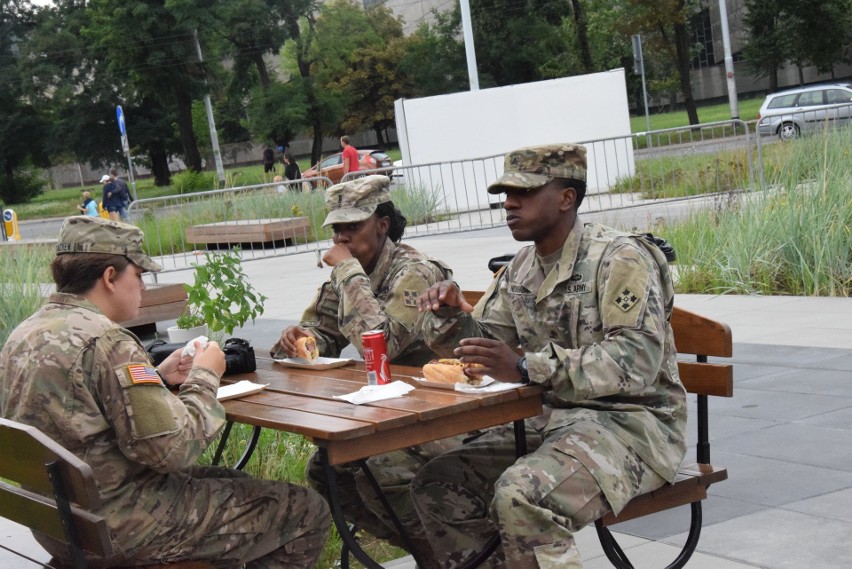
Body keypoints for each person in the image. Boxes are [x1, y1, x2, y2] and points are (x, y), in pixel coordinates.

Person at [0, 216, 330, 569]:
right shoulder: (107, 342)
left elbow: (82, 409)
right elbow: (173, 451)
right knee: (305, 510)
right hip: (123, 527)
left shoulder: (25, 333)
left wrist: (155, 376)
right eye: (139, 275)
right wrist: (205, 374)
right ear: (110, 277)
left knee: (238, 482)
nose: (143, 287)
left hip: (62, 523)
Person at [413, 143, 686, 568]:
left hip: (634, 427)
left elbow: (636, 359)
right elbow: (481, 344)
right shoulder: (521, 267)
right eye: (506, 194)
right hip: (555, 423)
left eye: (524, 192)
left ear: (566, 198)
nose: (509, 203)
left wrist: (525, 367)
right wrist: (449, 315)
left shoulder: (620, 258)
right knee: (439, 483)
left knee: (521, 497)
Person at [272, 174, 456, 562]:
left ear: (382, 225)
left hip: (439, 412)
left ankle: (456, 554)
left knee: (381, 470)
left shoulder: (415, 272)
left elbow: (382, 346)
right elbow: (321, 331)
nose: (341, 239)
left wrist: (348, 274)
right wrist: (297, 339)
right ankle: (437, 553)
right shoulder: (351, 272)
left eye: (352, 227)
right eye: (336, 229)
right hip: (388, 409)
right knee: (326, 471)